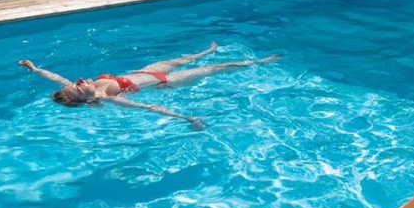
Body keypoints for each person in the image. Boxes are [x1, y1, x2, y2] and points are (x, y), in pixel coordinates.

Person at [18, 42, 279, 130]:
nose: (77, 81)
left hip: (146, 70)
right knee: (214, 69)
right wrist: (186, 117)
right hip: (165, 82)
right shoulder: (109, 99)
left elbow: (56, 78)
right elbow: (148, 107)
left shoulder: (84, 88)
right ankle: (257, 62)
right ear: (88, 101)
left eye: (75, 83)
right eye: (78, 87)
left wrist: (35, 68)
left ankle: (206, 50)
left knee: (185, 58)